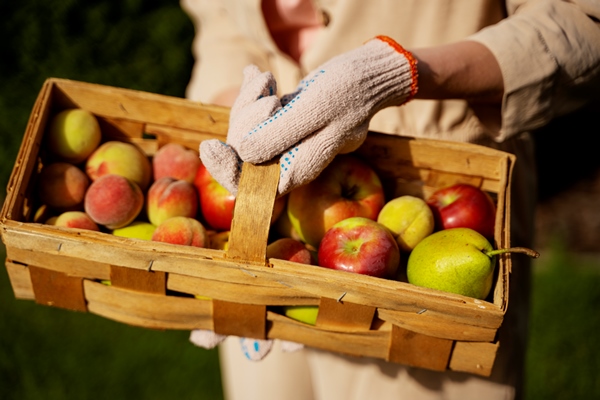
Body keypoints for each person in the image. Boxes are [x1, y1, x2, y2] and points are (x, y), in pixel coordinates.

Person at [180, 1, 600, 399]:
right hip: (264, 245)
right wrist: (237, 110)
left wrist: (394, 72)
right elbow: (220, 17)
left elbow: (584, 21)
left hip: (424, 212)